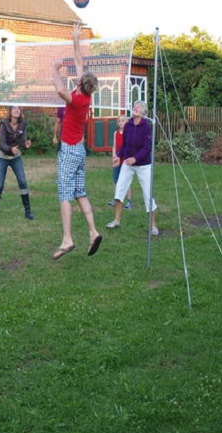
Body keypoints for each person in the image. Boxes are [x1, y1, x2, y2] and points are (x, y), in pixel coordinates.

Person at [51, 23, 102, 259]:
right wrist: (75, 40)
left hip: (70, 151)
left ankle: (67, 239)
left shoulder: (76, 99)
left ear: (81, 84)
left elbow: (59, 89)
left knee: (64, 194)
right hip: (80, 151)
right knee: (80, 192)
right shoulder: (87, 95)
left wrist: (55, 69)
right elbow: (80, 61)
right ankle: (93, 232)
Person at [106, 100, 159, 235]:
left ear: (143, 112)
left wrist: (135, 158)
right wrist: (119, 156)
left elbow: (148, 147)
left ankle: (153, 226)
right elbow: (124, 145)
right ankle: (116, 220)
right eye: (135, 106)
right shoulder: (128, 125)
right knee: (119, 189)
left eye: (139, 106)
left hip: (143, 165)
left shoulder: (146, 127)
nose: (135, 108)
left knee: (148, 194)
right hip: (127, 164)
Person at [0, 105, 34, 219]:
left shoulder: (22, 123)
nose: (16, 110)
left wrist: (25, 143)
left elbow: (22, 139)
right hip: (2, 157)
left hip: (16, 158)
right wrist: (10, 149)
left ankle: (28, 211)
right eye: (14, 108)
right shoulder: (3, 124)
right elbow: (2, 143)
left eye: (18, 108)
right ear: (10, 111)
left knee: (23, 182)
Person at [108, 113, 134, 209]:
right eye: (119, 121)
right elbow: (114, 146)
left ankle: (129, 201)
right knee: (116, 180)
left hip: (125, 160)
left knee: (126, 181)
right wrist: (114, 156)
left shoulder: (128, 133)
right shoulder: (116, 133)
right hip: (117, 160)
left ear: (126, 122)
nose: (121, 123)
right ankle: (116, 199)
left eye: (123, 121)